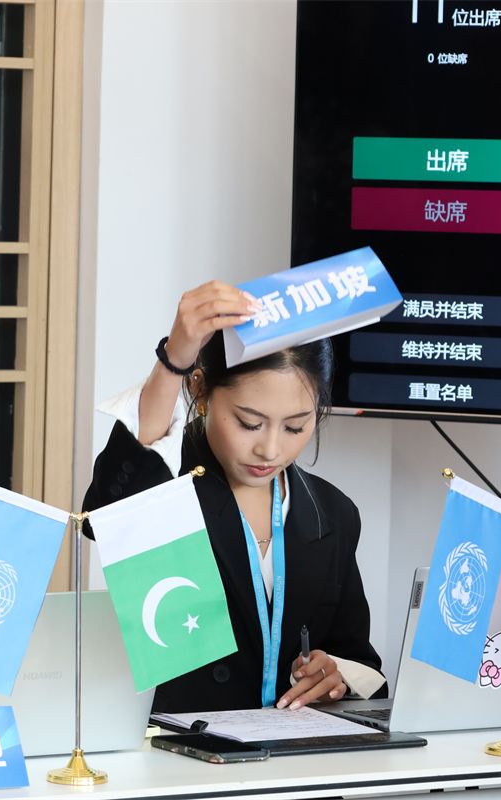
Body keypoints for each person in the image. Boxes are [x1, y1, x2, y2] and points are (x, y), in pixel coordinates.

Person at [83, 281, 386, 713]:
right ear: (200, 389)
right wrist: (173, 362)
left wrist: (334, 675)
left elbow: (359, 659)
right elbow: (108, 513)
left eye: (296, 426)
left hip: (291, 747)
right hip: (177, 745)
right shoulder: (164, 489)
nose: (270, 450)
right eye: (249, 423)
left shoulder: (333, 513)